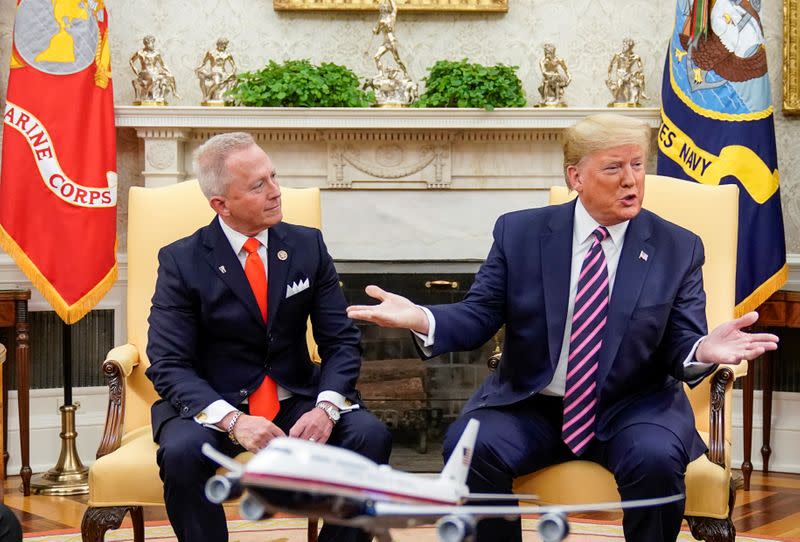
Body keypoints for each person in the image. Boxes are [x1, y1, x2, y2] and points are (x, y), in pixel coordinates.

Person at [347, 113, 778, 542]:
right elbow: (479, 315)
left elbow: (681, 341)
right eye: (614, 167)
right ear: (576, 176)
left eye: (638, 165)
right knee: (472, 447)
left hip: (634, 405)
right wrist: (423, 316)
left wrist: (702, 349)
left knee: (655, 459)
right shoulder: (520, 233)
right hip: (534, 404)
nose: (631, 180)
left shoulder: (677, 247)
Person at [145, 132, 391, 542]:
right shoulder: (181, 261)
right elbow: (169, 363)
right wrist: (234, 420)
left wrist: (327, 408)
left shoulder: (306, 245)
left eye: (273, 176)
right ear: (220, 205)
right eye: (258, 185)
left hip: (295, 398)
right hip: (217, 402)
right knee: (181, 453)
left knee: (370, 435)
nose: (276, 192)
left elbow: (340, 340)